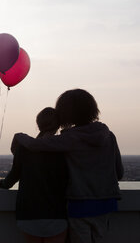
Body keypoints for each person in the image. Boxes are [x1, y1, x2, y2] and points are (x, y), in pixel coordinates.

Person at [13, 89, 124, 243]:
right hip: (106, 202)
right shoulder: (109, 135)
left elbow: (35, 145)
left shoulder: (70, 138)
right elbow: (119, 172)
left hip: (79, 203)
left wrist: (19, 136)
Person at [0, 107, 68, 243]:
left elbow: (12, 177)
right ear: (58, 124)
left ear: (38, 124)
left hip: (28, 213)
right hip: (56, 212)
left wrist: (0, 184)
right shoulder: (63, 148)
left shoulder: (25, 148)